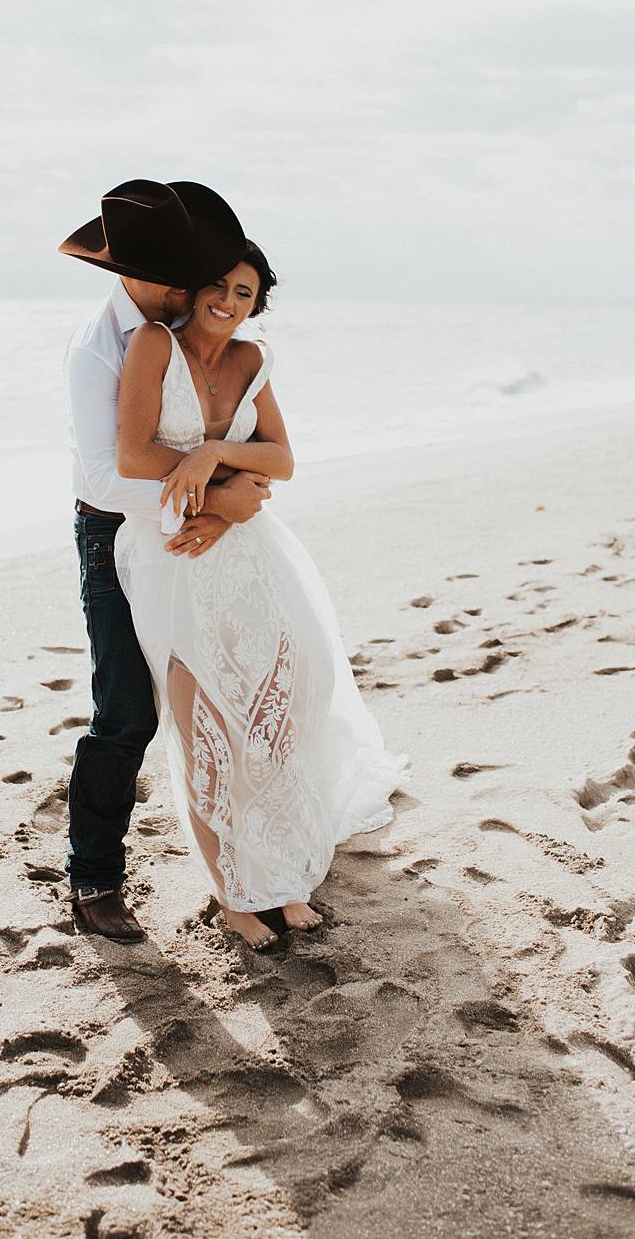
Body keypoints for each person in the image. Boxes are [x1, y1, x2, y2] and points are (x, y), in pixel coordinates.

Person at [114, 241, 408, 950]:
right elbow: (132, 455)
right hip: (174, 553)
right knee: (205, 722)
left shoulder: (252, 358)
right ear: (194, 288)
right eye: (218, 286)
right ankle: (234, 896)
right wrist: (216, 495)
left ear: (256, 302)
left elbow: (281, 458)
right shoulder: (154, 343)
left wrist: (217, 458)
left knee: (278, 709)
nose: (228, 302)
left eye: (244, 293)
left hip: (250, 550)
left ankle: (274, 876)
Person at [60, 179, 270, 939]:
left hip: (190, 531)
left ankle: (252, 862)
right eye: (174, 274)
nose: (190, 287)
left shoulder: (183, 324)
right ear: (130, 273)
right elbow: (105, 476)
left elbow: (223, 411)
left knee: (221, 694)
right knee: (126, 712)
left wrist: (230, 477)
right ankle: (93, 881)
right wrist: (219, 497)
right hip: (113, 532)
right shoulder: (96, 350)